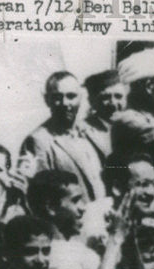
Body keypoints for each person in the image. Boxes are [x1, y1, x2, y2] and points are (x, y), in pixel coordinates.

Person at [18, 71, 106, 200]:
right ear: (47, 100)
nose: (65, 103)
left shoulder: (90, 133)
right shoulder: (39, 140)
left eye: (71, 96)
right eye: (57, 97)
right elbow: (41, 196)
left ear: (80, 98)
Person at [81, 69, 127, 163]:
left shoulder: (133, 128)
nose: (113, 103)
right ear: (92, 101)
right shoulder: (83, 131)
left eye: (118, 96)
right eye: (106, 97)